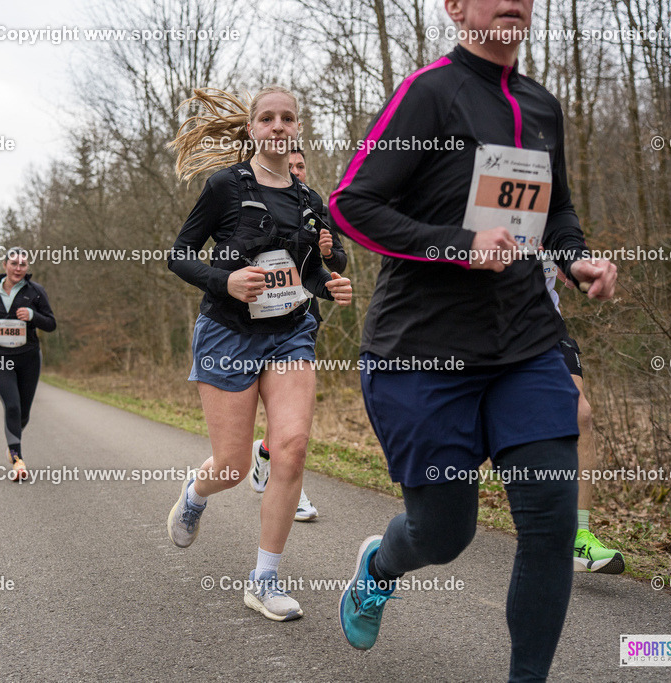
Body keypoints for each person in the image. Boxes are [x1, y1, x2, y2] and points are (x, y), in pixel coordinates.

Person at [330, 1, 617, 680]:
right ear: (456, 7)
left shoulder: (543, 105)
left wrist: (575, 259)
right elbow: (351, 203)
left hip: (524, 343)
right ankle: (380, 563)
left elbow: (557, 209)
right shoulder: (430, 94)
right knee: (443, 533)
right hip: (422, 352)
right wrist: (458, 246)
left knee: (549, 523)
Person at [166, 85, 353, 621]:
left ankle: (263, 580)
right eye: (267, 118)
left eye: (287, 118)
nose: (277, 126)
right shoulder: (225, 186)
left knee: (291, 447)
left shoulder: (307, 199)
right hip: (228, 332)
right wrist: (226, 281)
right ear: (252, 129)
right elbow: (178, 256)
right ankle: (196, 494)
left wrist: (328, 285)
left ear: (296, 128)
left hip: (290, 333)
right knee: (232, 465)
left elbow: (308, 269)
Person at [249, 147, 349, 522]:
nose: (295, 170)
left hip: (304, 318)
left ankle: (289, 481)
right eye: (289, 165)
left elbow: (338, 260)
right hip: (256, 321)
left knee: (290, 415)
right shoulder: (256, 200)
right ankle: (265, 452)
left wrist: (328, 253)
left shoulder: (314, 207)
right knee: (273, 408)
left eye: (300, 165)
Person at [547, 262, 625, 574]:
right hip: (474, 319)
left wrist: (580, 268)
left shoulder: (552, 213)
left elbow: (564, 243)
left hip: (540, 320)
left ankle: (577, 536)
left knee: (581, 414)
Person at [0, 248, 56, 482]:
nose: (18, 268)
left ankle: (13, 442)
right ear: (5, 265)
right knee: (12, 406)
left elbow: (51, 324)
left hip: (28, 358)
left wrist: (33, 316)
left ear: (27, 267)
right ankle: (17, 459)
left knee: (24, 412)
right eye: (14, 263)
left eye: (23, 264)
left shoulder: (36, 292)